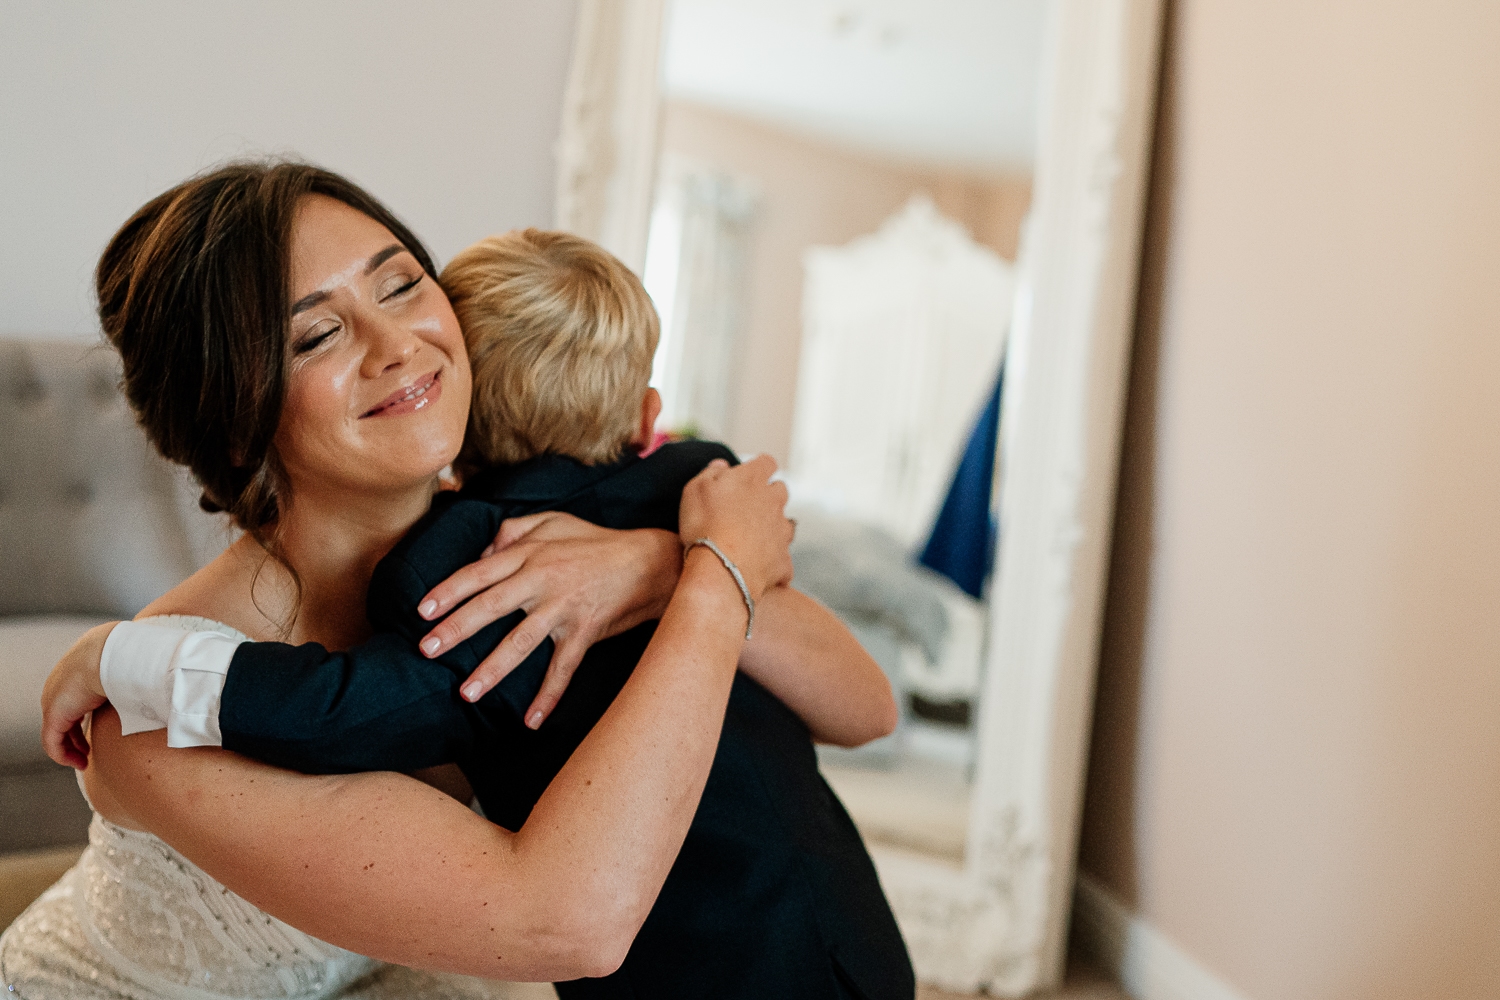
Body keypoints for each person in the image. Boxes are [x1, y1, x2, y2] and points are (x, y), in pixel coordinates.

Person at [0, 160, 807, 1000]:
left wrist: (648, 564)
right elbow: (572, 924)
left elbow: (862, 705)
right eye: (316, 336)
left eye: (400, 285)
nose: (398, 345)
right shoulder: (150, 719)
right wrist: (710, 578)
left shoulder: (525, 523)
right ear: (236, 422)